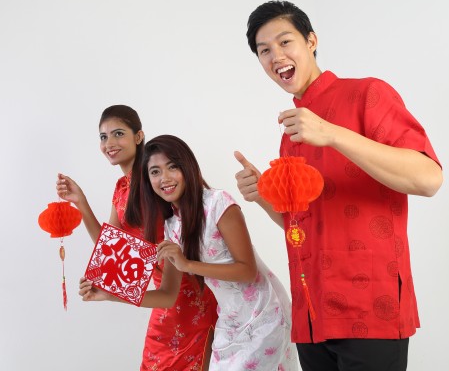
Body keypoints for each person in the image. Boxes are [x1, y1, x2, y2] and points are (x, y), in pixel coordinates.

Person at [234, 0, 443, 371]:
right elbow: (300, 227)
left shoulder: (367, 94)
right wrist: (264, 195)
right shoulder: (292, 132)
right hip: (312, 314)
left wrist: (332, 134)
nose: (276, 56)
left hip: (370, 308)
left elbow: (428, 178)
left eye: (285, 42)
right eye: (264, 50)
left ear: (311, 41)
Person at [79, 134, 298, 371]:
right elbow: (167, 296)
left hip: (264, 316)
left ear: (187, 167)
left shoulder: (218, 203)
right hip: (229, 323)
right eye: (155, 172)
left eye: (172, 167)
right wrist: (111, 295)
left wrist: (188, 265)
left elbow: (247, 271)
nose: (164, 178)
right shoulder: (172, 226)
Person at [56, 105, 218, 371]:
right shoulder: (122, 187)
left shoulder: (158, 184)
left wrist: (111, 294)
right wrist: (81, 202)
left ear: (139, 136)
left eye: (118, 133)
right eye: (103, 137)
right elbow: (111, 248)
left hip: (189, 296)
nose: (109, 143)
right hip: (162, 301)